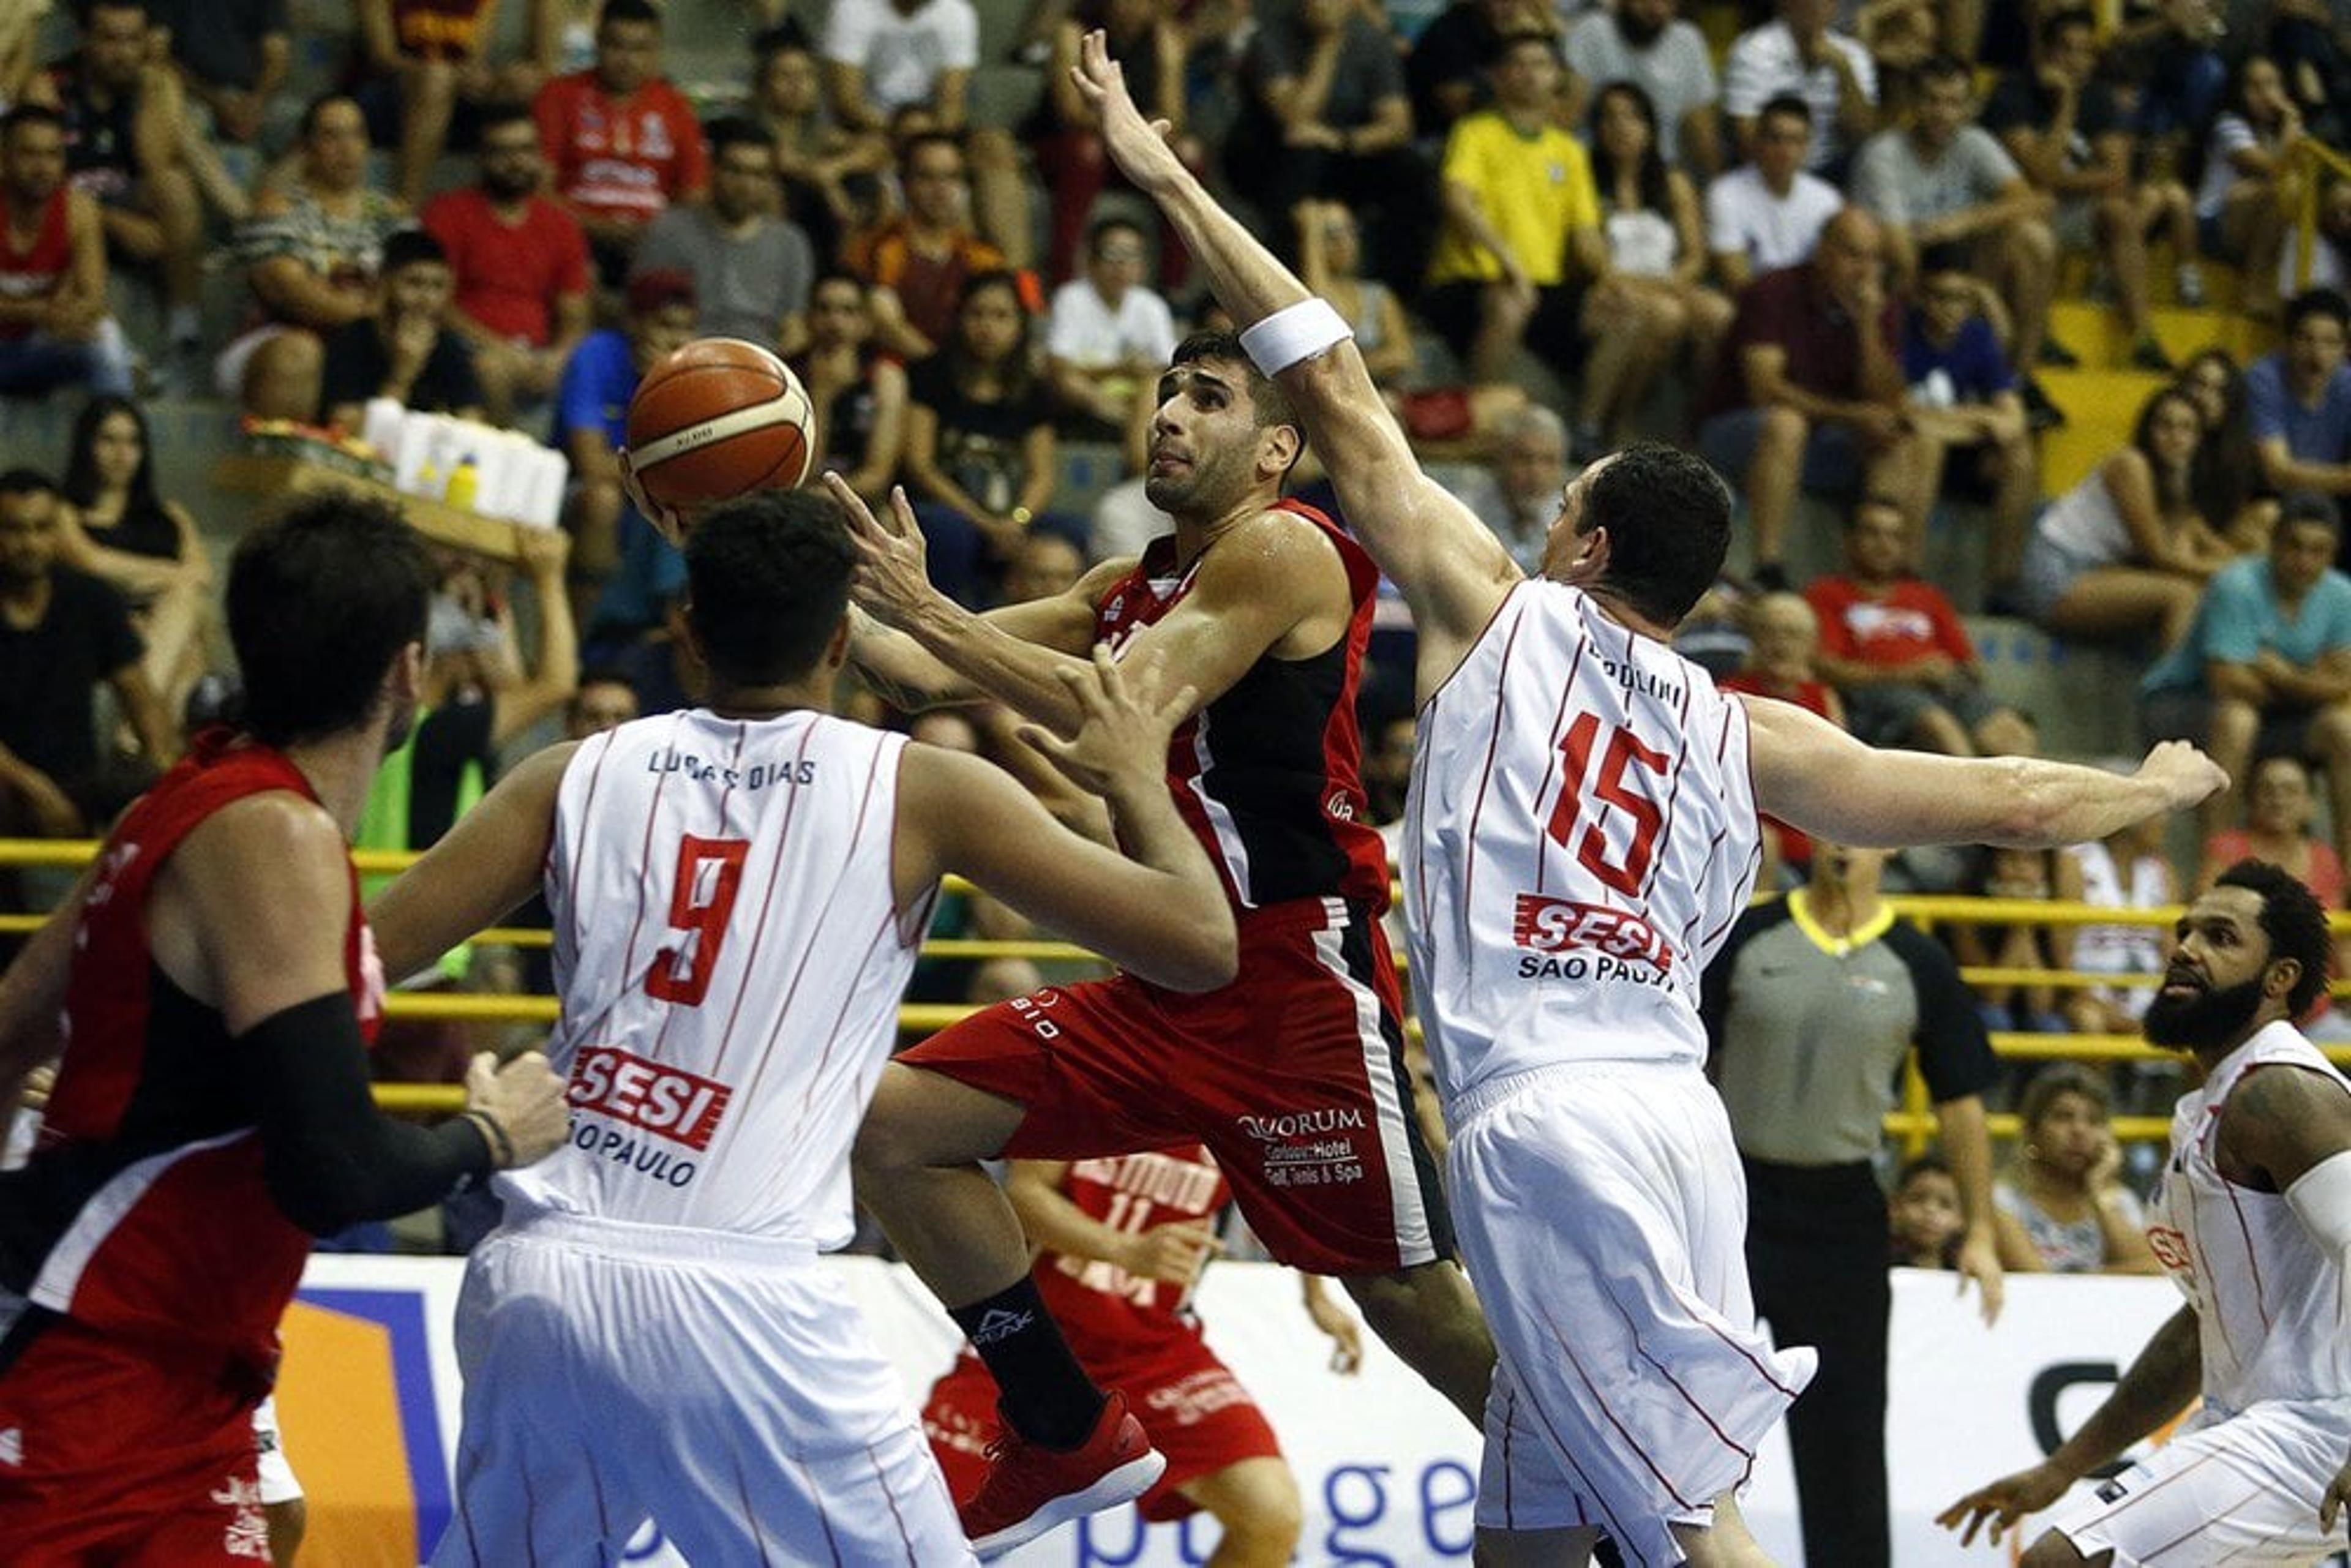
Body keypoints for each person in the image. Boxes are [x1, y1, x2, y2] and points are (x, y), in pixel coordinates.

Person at [1069, 29, 2226, 1564]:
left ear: (1589, 550)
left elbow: (1329, 378)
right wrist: (2139, 784)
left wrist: (1165, 173)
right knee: (1530, 1520)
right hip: (1677, 1124)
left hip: (1543, 1120)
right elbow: (2002, 798)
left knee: (1692, 1524)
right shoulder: (1752, 726)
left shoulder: (1497, 609)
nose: (1541, 519)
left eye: (1562, 504)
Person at [364, 487, 1241, 1564]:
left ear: (684, 634)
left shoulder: (569, 773)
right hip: (743, 1296)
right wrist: (1137, 775)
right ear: (839, 640)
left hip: (541, 1276)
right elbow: (1201, 946)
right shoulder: (923, 789)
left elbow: (355, 962)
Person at [826, 332, 1489, 1553]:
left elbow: (1110, 709)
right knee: (897, 1122)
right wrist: (746, 539)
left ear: (1277, 446)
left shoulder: (1287, 548)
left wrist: (928, 603)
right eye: (1167, 390)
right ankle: (1060, 1416)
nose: (1170, 414)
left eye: (1210, 396)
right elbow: (914, 669)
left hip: (1296, 984)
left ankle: (1627, 1504)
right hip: (1170, 966)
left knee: (1415, 1307)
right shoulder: (1124, 586)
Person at [0, 493, 572, 1564]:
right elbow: (335, 1168)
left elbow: (7, 1036)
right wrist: (491, 1135)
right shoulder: (277, 837)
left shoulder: (181, 801)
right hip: (102, 1359)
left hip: (185, 1372)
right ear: (408, 671)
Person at [1941, 862, 2351, 1566]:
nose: (2187, 947)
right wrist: (2064, 1465)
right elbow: (2201, 1330)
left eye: (2222, 937)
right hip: (2253, 1424)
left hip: (2315, 1430)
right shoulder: (2210, 1105)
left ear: (2279, 978)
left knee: (2060, 1562)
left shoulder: (2280, 1090)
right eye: (2184, 930)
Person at [1704, 839, 2005, 1568]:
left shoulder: (1917, 960)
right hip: (1730, 1202)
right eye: (1829, 827)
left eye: (1860, 829)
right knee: (1692, 1410)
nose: (1844, 842)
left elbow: (1961, 1105)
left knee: (1846, 1432)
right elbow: (1687, 1060)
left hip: (1842, 1214)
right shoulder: (1746, 935)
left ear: (1891, 843)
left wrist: (1983, 1232)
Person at [922, 1149, 1363, 1568]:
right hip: (1034, 1342)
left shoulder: (1233, 1099)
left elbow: (1294, 1190)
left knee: (1270, 1512)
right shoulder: (1088, 1081)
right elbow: (1024, 1192)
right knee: (934, 1522)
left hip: (1154, 1349)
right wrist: (1123, 1249)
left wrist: (1317, 1295)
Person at [1697, 206, 1930, 590]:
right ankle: (1768, 566)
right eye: (1854, 254)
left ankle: (1885, 582)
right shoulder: (1774, 291)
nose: (1865, 269)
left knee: (1902, 439)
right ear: (1823, 250)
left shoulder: (1879, 308)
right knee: (1787, 423)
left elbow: (1888, 398)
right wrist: (1853, 416)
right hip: (1737, 431)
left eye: (1874, 258)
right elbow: (1765, 389)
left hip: (1824, 441)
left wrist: (1869, 325)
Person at [2140, 494, 2351, 858]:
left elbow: (2343, 686)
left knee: (2344, 728)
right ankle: (2216, 868)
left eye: (2319, 550)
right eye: (2294, 546)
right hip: (2181, 704)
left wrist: (2282, 676)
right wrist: (2311, 683)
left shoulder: (2341, 595)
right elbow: (2227, 681)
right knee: (2239, 719)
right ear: (2274, 544)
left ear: (2332, 554)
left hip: (2275, 712)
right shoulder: (2235, 584)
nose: (2304, 561)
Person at [0, 467, 176, 840]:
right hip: (9, 783)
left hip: (78, 779)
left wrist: (168, 779)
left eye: (42, 528)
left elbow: (140, 697)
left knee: (152, 787)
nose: (30, 543)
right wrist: (37, 790)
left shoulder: (92, 599)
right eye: (15, 529)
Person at [217, 93, 405, 421]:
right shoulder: (278, 207)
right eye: (332, 136)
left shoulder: (393, 217)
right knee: (300, 352)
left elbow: (420, 292)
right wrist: (377, 310)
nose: (346, 148)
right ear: (306, 147)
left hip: (366, 346)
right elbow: (294, 294)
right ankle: (278, 469)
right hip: (275, 340)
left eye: (356, 134)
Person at [1804, 494, 2033, 757]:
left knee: (2012, 732)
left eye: (1895, 536)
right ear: (1850, 540)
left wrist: (1953, 674)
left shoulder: (1927, 596)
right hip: (1875, 697)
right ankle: (1970, 795)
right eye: (1873, 534)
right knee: (1938, 726)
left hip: (1945, 691)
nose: (1884, 545)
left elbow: (1971, 665)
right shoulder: (1827, 594)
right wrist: (1906, 674)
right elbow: (1826, 669)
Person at [2020, 384, 2235, 648]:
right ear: (2148, 431)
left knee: (2204, 588)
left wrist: (2247, 564)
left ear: (2199, 438)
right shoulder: (2130, 464)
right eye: (2165, 426)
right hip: (2057, 573)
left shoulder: (2176, 481)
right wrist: (2228, 571)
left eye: (2187, 429)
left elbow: (2204, 543)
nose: (2176, 437)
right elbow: (2160, 557)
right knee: (2181, 594)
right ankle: (2173, 690)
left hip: (2101, 572)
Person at [422, 99, 593, 426]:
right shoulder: (448, 214)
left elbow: (574, 314)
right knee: (491, 369)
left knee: (591, 363)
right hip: (466, 349)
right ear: (481, 158)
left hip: (539, 358)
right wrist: (504, 352)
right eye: (502, 152)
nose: (517, 162)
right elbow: (438, 304)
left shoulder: (562, 225)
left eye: (526, 150)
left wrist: (558, 359)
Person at [56, 394, 214, 714]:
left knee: (185, 615)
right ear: (87, 445)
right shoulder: (64, 511)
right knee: (185, 623)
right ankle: (152, 735)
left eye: (133, 442)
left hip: (164, 620)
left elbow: (203, 575)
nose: (121, 455)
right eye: (109, 441)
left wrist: (149, 591)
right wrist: (167, 578)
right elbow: (93, 562)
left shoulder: (171, 515)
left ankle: (134, 735)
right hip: (103, 624)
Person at [533, 0, 707, 282]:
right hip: (575, 236)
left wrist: (656, 232)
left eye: (640, 49)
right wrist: (607, 230)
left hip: (653, 242)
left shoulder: (676, 106)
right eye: (617, 46)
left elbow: (694, 196)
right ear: (598, 43)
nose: (628, 60)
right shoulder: (559, 95)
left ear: (656, 52)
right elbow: (540, 191)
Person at [632, 118, 814, 351]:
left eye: (759, 175)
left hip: (761, 367)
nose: (746, 185)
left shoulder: (791, 243)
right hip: (686, 361)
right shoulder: (668, 232)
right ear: (713, 170)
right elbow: (645, 320)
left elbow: (794, 328)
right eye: (735, 171)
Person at [0, 104, 131, 400]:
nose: (42, 168)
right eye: (29, 154)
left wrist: (69, 316)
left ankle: (115, 434)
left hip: (38, 348)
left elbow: (92, 298)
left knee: (104, 335)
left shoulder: (79, 210)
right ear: (4, 159)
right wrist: (36, 311)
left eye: (52, 155)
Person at [843, 131, 1007, 361]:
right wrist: (939, 370)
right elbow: (884, 324)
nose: (940, 189)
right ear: (905, 183)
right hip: (891, 371)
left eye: (950, 177)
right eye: (927, 177)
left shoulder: (984, 257)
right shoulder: (876, 248)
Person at [1992, 1063, 2160, 1274]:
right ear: (2033, 1132)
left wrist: (2097, 1195)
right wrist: (2116, 1274)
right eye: (2063, 1117)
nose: (2079, 1130)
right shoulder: (2003, 1201)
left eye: (2093, 1121)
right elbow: (2039, 1282)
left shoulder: (2118, 1202)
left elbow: (2155, 1272)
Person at [319, 227, 486, 431]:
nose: (426, 299)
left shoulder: (450, 347)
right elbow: (346, 430)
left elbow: (472, 426)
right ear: (384, 283)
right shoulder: (354, 339)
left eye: (438, 286)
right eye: (414, 283)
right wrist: (401, 376)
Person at [1045, 216, 1179, 441]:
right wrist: (1122, 369)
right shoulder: (1071, 298)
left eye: (1131, 256)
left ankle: (1135, 438)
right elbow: (1059, 365)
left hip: (1136, 397)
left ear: (1143, 266)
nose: (1121, 265)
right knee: (1068, 380)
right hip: (1087, 398)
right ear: (1091, 261)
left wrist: (1139, 373)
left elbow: (1170, 364)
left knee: (1155, 384)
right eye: (1111, 254)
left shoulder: (1152, 305)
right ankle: (1135, 430)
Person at [1561, 0, 1722, 173]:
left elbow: (1702, 129)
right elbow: (1569, 114)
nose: (1657, 9)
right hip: (1594, 167)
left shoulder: (1688, 40)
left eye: (1668, 3)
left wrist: (1719, 188)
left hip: (1661, 171)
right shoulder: (1592, 31)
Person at [792, 272, 909, 509]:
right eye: (824, 309)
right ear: (809, 318)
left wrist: (818, 498)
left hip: (860, 504)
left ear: (866, 322)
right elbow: (802, 472)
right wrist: (821, 397)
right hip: (798, 502)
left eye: (848, 311)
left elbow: (878, 475)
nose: (835, 322)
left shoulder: (885, 376)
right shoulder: (786, 374)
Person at [1705, 94, 1843, 294]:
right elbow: (1736, 280)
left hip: (1810, 307)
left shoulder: (1828, 200)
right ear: (1758, 141)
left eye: (1795, 141)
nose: (1784, 150)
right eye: (1775, 139)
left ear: (1807, 147)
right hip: (1753, 306)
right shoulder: (1725, 193)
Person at [1722, 0, 1877, 177]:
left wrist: (1843, 70)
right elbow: (1747, 140)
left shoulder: (1853, 54)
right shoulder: (1752, 51)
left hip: (1835, 170)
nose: (1819, 4)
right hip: (1770, 171)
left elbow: (1862, 133)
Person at [2249, 288, 2351, 502]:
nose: (2318, 354)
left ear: (2344, 350)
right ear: (2286, 343)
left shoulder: (2347, 384)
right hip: (2268, 497)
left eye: (2331, 342)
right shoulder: (2263, 380)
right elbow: (2277, 472)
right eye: (2306, 339)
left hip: (2330, 501)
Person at [1888, 1152, 1964, 1268]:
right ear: (1895, 1208)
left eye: (1945, 1205)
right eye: (1917, 1199)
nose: (1930, 1210)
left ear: (1961, 1219)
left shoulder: (1962, 1268)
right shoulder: (1880, 1263)